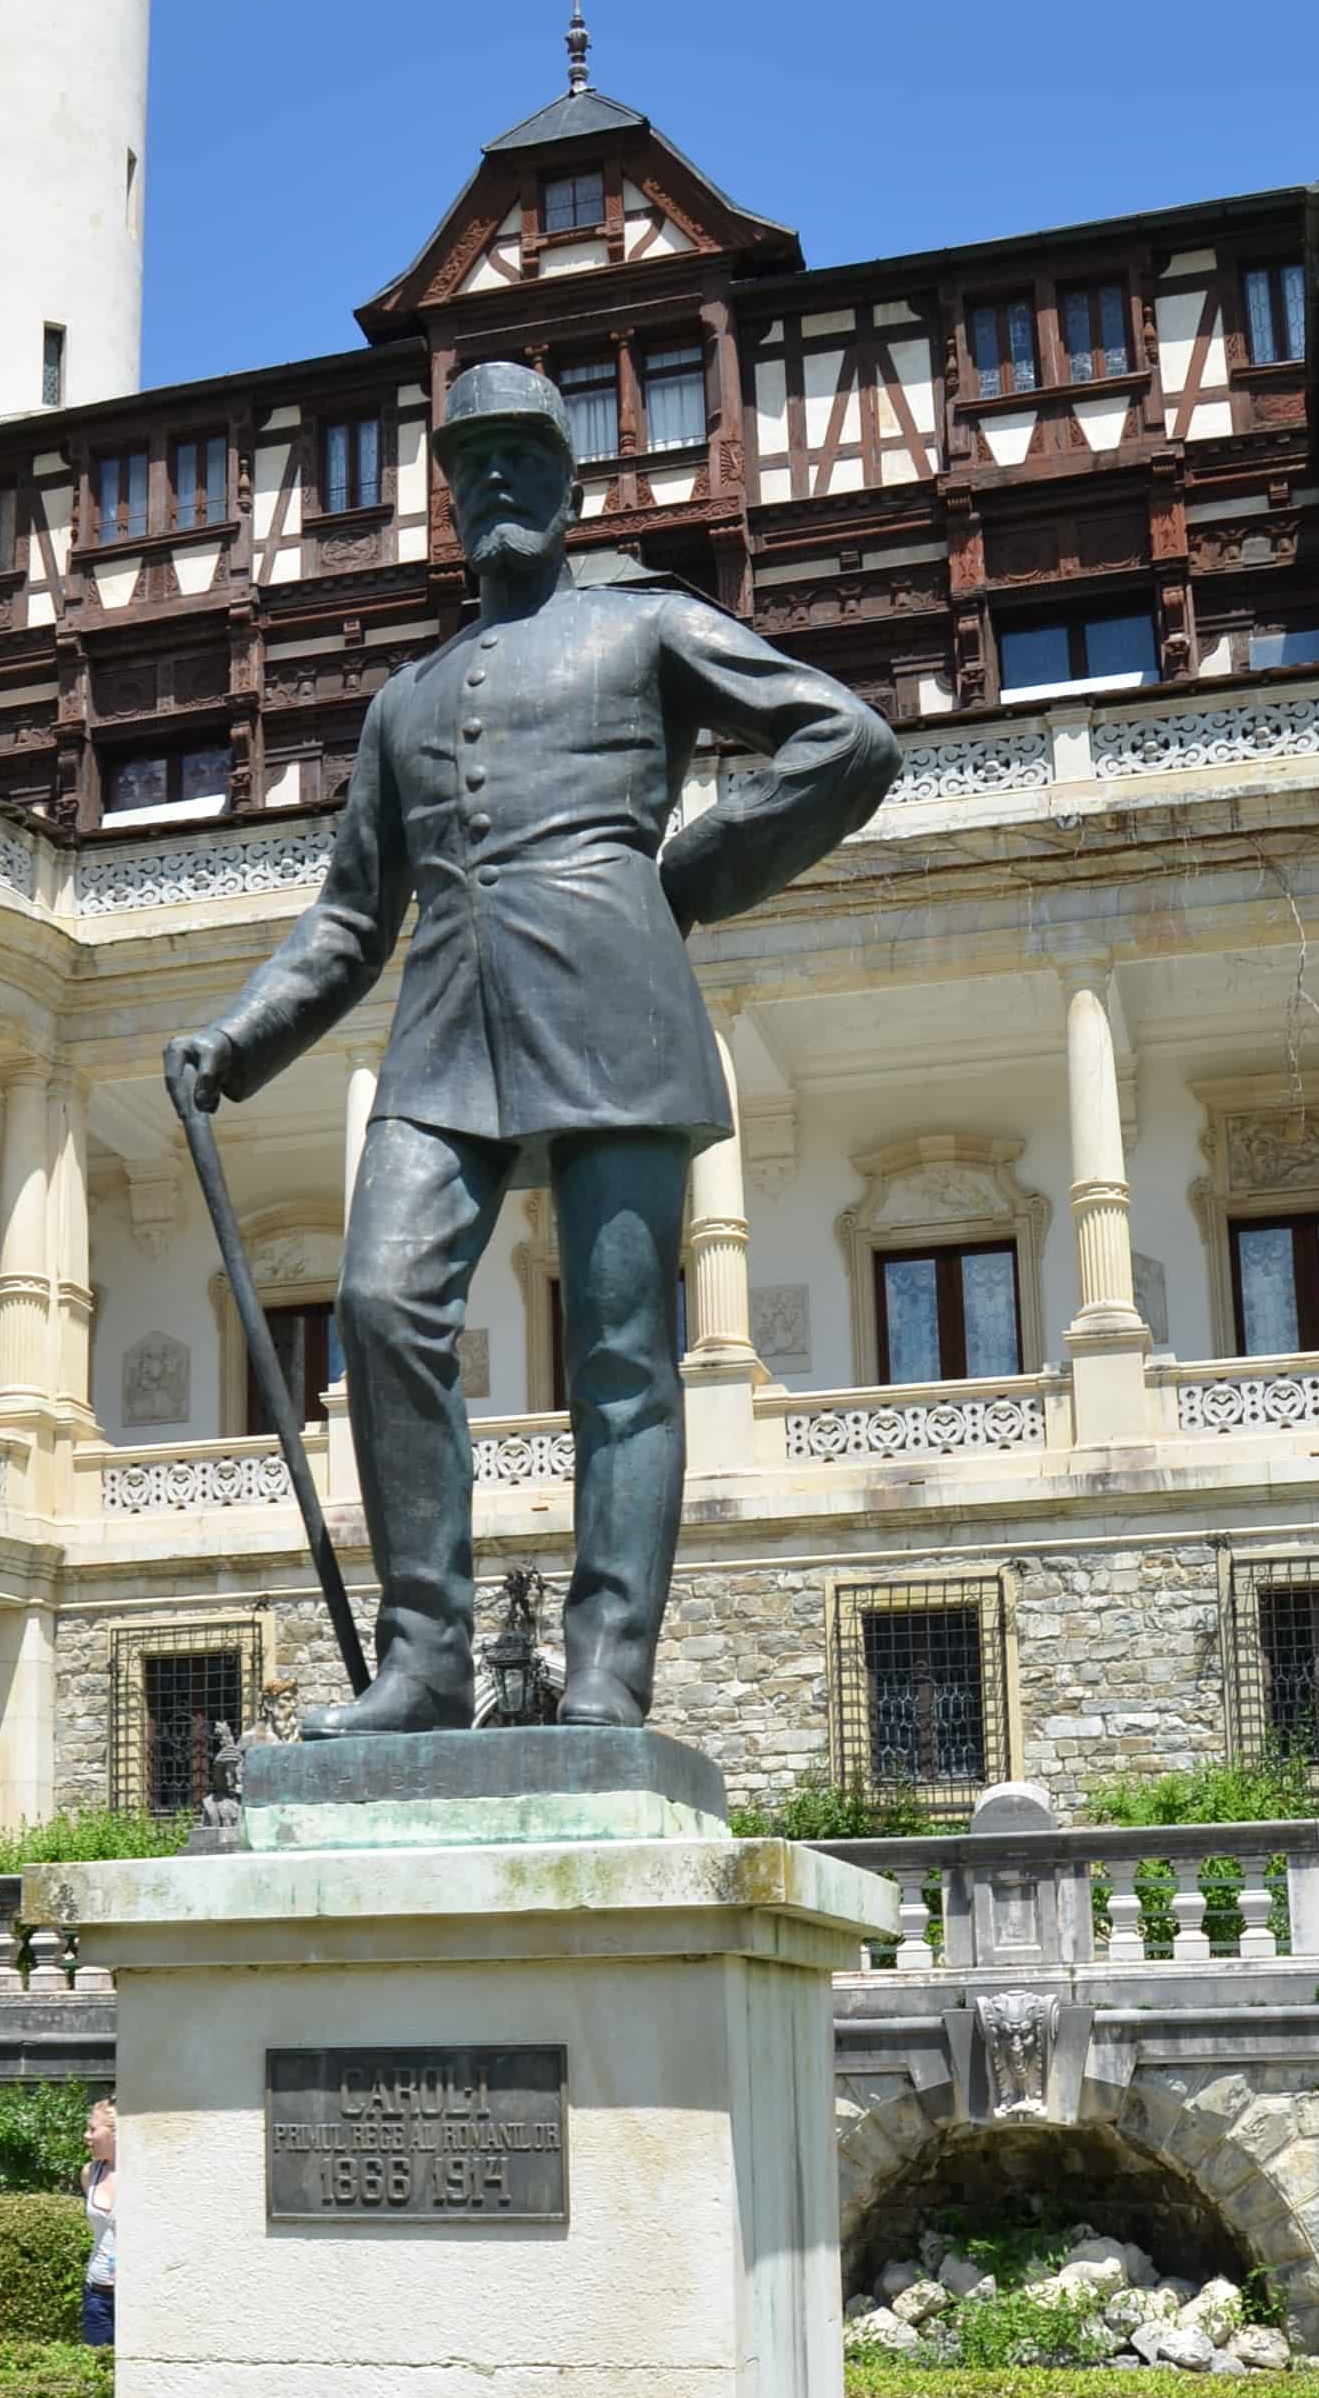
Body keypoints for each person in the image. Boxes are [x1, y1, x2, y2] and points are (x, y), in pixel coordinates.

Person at [167, 358, 897, 1738]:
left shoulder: (647, 625)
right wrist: (236, 1039)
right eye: (472, 464)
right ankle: (426, 1661)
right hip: (443, 1029)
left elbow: (845, 738)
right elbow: (346, 920)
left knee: (620, 1348)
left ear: (571, 485)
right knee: (381, 1306)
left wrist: (680, 878)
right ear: (449, 501)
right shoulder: (404, 702)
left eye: (523, 459)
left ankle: (610, 1664)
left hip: (617, 1002)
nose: (496, 483)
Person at [80, 2097, 116, 2349]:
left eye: (93, 2129)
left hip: (138, 2297)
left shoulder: (147, 2176)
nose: (87, 2136)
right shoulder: (89, 2173)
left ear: (115, 2132)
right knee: (97, 2372)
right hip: (97, 2295)